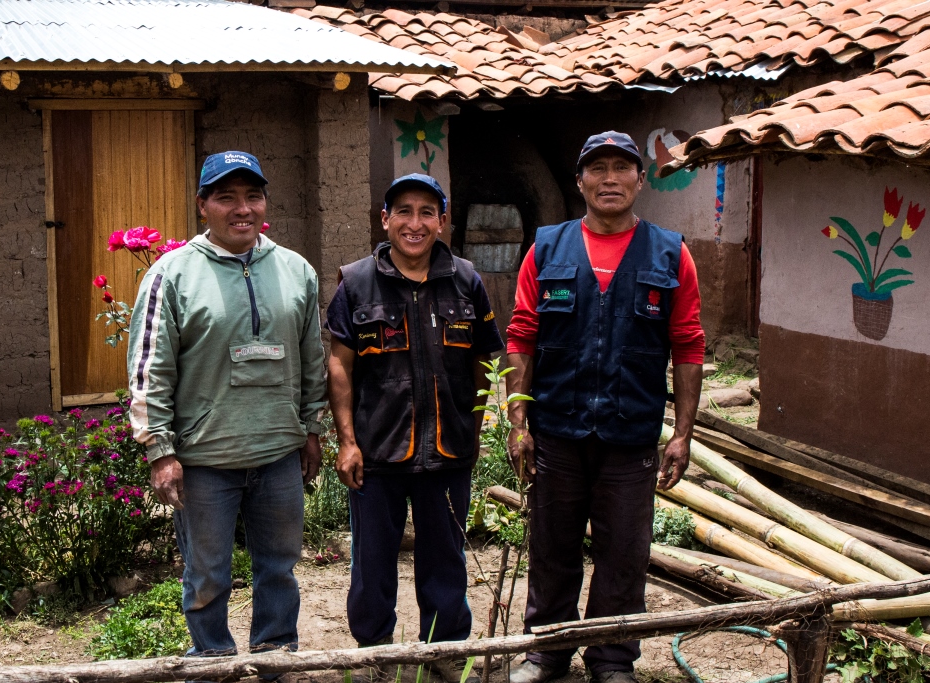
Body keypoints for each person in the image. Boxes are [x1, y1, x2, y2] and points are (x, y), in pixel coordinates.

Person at [504, 132, 705, 683]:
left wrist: (682, 433)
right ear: (580, 182)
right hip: (557, 430)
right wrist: (516, 422)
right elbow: (521, 334)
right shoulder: (547, 248)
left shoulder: (670, 253)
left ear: (641, 181)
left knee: (623, 553)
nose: (609, 178)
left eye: (622, 168)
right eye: (598, 169)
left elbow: (688, 345)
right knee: (553, 546)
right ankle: (547, 651)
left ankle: (612, 659)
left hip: (630, 433)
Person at [128, 150, 327, 662]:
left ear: (264, 203)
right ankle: (213, 659)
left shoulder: (296, 271)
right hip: (204, 459)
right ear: (203, 206)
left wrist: (311, 430)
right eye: (226, 197)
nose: (242, 208)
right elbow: (150, 371)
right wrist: (160, 452)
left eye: (252, 196)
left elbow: (312, 360)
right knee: (207, 573)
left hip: (278, 453)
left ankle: (273, 657)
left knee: (279, 567)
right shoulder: (170, 276)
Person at [326, 174, 504, 682]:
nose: (415, 223)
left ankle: (444, 651)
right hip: (378, 451)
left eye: (428, 212)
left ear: (442, 221)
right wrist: (347, 442)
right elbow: (339, 365)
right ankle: (374, 652)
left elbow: (483, 361)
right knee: (372, 560)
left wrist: (471, 427)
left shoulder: (466, 280)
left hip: (448, 451)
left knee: (445, 556)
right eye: (403, 211)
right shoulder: (357, 282)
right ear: (385, 220)